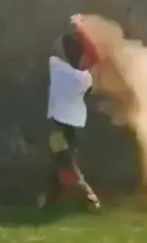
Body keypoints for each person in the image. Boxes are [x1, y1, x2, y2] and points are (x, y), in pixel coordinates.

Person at [38, 14, 103, 210]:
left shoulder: (56, 67)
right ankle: (50, 201)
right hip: (73, 125)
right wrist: (82, 29)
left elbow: (55, 48)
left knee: (65, 164)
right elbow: (95, 57)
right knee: (57, 162)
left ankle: (89, 198)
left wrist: (76, 25)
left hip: (57, 125)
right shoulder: (85, 78)